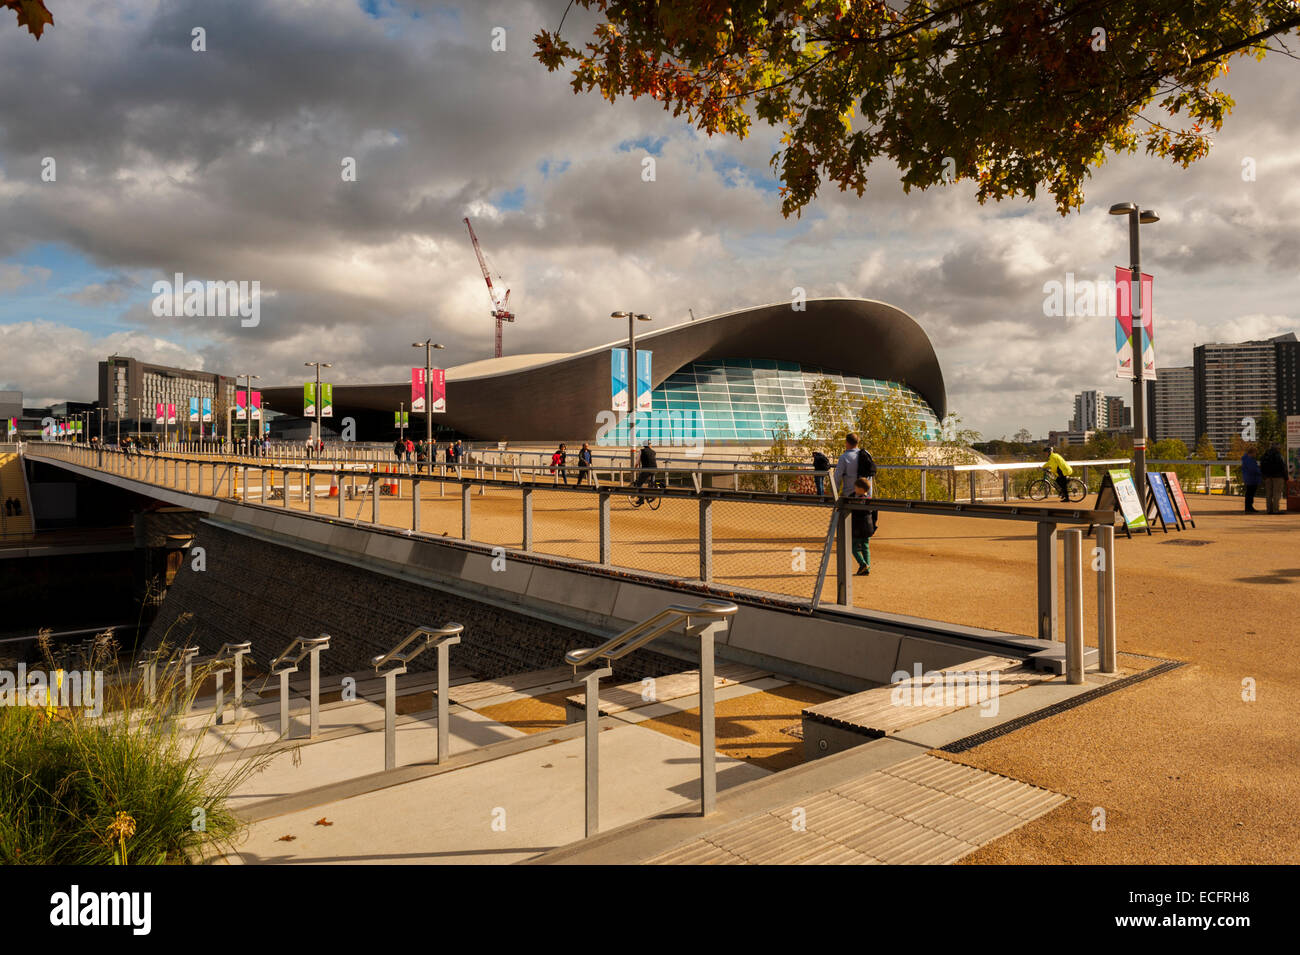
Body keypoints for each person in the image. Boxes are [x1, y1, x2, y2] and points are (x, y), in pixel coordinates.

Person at [849, 477, 877, 576]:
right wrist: (874, 527)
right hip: (868, 528)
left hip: (857, 528)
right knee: (865, 547)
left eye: (855, 487)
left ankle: (863, 564)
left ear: (860, 489)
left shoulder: (856, 501)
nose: (854, 489)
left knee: (853, 547)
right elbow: (875, 515)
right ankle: (867, 568)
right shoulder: (870, 500)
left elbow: (852, 512)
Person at [833, 433, 875, 497]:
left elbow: (837, 477)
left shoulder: (844, 457)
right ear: (857, 442)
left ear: (847, 442)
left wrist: (835, 493)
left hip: (850, 495)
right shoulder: (866, 454)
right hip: (866, 496)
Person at [1259, 442, 1289, 514]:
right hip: (1278, 477)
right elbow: (1283, 467)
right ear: (1278, 448)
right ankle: (1276, 510)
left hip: (1267, 477)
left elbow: (1261, 466)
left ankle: (1269, 510)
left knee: (1268, 494)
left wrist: (1264, 475)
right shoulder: (1279, 455)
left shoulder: (1265, 455)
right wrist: (1286, 477)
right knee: (1276, 493)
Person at [1241, 446, 1262, 513]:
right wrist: (1260, 471)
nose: (1255, 455)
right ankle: (1248, 508)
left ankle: (1249, 507)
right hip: (1251, 478)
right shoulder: (1249, 460)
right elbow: (1253, 469)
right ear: (1252, 453)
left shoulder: (1246, 459)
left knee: (1249, 493)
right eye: (1255, 453)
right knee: (1250, 494)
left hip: (1249, 478)